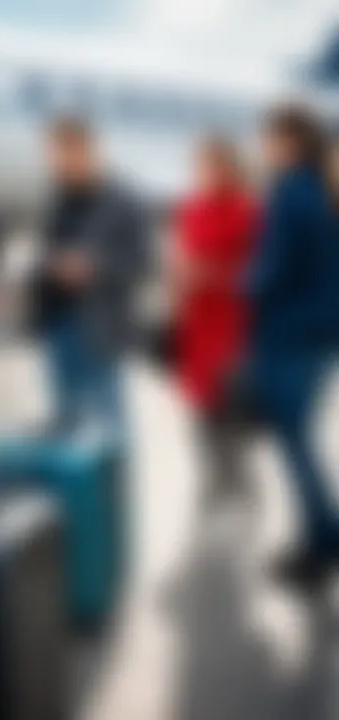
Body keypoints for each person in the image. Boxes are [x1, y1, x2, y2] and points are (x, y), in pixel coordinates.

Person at [248, 105, 339, 585]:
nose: (264, 145)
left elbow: (272, 271)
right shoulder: (326, 188)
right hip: (325, 332)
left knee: (295, 440)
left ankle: (321, 542)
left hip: (290, 333)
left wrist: (242, 282)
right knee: (304, 437)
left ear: (291, 141)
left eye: (270, 137)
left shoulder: (290, 193)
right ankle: (322, 533)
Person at [39, 117, 147, 434]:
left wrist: (94, 268)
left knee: (109, 425)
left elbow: (140, 262)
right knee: (67, 423)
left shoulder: (123, 201)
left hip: (99, 327)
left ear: (88, 151)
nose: (60, 162)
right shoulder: (58, 201)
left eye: (67, 153)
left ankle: (116, 484)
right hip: (59, 325)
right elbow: (48, 252)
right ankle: (77, 484)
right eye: (55, 154)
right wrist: (48, 266)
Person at [172, 137, 259, 507]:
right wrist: (180, 276)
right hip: (196, 327)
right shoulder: (192, 210)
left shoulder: (248, 212)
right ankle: (212, 485)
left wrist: (216, 275)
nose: (203, 175)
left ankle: (240, 489)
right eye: (199, 168)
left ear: (228, 169)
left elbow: (260, 272)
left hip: (232, 328)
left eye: (210, 167)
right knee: (200, 415)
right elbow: (181, 256)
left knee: (231, 416)